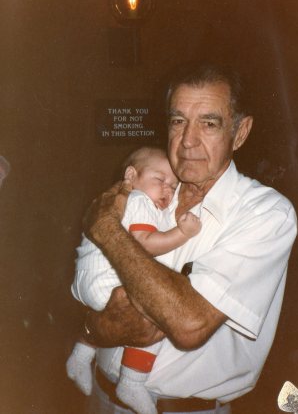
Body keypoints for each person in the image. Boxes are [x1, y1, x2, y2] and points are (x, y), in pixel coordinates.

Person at [73, 62, 297, 414]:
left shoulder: (265, 213)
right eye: (178, 121)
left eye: (209, 123)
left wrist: (107, 230)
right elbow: (98, 287)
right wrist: (93, 330)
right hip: (100, 398)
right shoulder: (150, 191)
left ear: (240, 133)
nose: (188, 141)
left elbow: (189, 324)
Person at [69, 146, 201, 414]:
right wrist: (183, 233)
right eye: (160, 180)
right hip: (105, 281)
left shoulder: (130, 199)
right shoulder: (140, 200)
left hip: (89, 281)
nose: (167, 190)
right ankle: (131, 381)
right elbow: (145, 244)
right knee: (159, 311)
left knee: (119, 314)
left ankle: (79, 357)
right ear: (132, 175)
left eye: (173, 186)